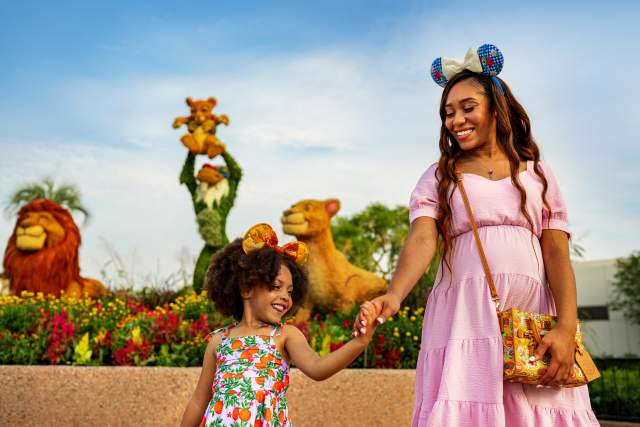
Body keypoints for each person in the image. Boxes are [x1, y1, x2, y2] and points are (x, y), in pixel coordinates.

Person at [354, 45, 599, 426]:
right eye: (448, 113)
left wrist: (567, 327)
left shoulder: (538, 175)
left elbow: (555, 254)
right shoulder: (440, 175)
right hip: (465, 316)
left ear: (497, 108)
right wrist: (394, 294)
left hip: (534, 316)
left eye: (468, 108)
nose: (456, 120)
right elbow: (422, 239)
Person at [181, 223, 378, 427]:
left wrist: (360, 341)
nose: (285, 297)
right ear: (246, 288)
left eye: (290, 291)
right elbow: (198, 401)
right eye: (276, 287)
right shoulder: (219, 340)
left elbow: (318, 368)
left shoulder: (285, 335)